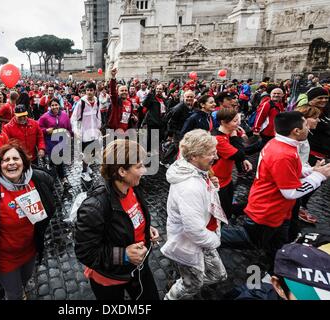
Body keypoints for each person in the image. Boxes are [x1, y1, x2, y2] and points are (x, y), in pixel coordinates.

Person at [221, 111, 330, 270]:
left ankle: (277, 273)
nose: (310, 127)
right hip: (267, 211)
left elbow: (292, 171)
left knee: (277, 247)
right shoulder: (283, 153)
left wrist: (312, 171)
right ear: (296, 131)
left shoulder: (281, 143)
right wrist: (319, 176)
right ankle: (200, 239)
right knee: (249, 240)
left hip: (280, 212)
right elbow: (291, 192)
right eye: (305, 124)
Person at [0, 143, 55, 300]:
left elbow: (50, 206)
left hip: (30, 249)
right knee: (13, 294)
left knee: (25, 280)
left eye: (16, 158)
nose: (12, 162)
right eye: (6, 160)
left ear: (24, 162)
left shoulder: (38, 179)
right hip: (5, 257)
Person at [75, 139, 160, 300]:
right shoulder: (95, 207)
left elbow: (130, 217)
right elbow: (85, 253)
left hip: (139, 268)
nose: (144, 170)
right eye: (139, 166)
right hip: (110, 278)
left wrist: (145, 227)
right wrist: (124, 255)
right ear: (122, 171)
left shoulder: (133, 186)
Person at [162, 129, 227, 300]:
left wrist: (213, 186)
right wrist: (215, 240)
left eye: (215, 152)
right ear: (193, 157)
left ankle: (184, 282)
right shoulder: (189, 186)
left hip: (204, 237)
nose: (216, 157)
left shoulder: (196, 169)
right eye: (211, 154)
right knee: (193, 285)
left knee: (218, 275)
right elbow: (194, 230)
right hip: (192, 242)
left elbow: (204, 198)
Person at [212, 108, 252, 219]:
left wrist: (244, 159)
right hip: (218, 182)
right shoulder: (218, 139)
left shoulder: (228, 133)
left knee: (227, 206)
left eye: (238, 120)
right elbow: (238, 154)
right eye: (235, 121)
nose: (238, 123)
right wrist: (235, 136)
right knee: (223, 213)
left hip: (227, 179)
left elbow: (238, 153)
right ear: (223, 122)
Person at [70, 82, 102, 183]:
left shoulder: (97, 102)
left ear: (94, 91)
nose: (89, 92)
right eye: (87, 90)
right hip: (84, 134)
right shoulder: (81, 103)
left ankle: (87, 167)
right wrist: (76, 130)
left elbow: (98, 115)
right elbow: (74, 118)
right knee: (86, 154)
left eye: (91, 90)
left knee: (92, 152)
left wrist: (99, 127)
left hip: (94, 133)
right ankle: (84, 171)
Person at [38, 98, 73, 189]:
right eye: (52, 105)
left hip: (62, 142)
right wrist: (46, 130)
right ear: (50, 107)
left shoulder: (64, 115)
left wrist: (70, 135)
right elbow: (38, 128)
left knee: (57, 161)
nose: (54, 107)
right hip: (51, 143)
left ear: (59, 105)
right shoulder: (44, 117)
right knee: (59, 161)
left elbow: (69, 127)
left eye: (56, 105)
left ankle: (51, 167)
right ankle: (63, 180)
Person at [108, 68, 138, 133]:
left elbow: (129, 115)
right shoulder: (116, 101)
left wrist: (134, 117)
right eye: (122, 91)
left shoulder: (129, 102)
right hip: (115, 131)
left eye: (125, 90)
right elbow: (113, 92)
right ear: (118, 93)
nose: (124, 92)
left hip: (126, 131)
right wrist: (113, 77)